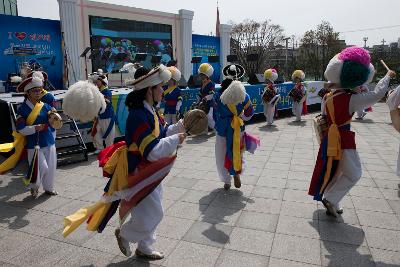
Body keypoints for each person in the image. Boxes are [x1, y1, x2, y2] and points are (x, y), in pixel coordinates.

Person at [308, 46, 396, 217]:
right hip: (344, 139)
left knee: (336, 170)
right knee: (354, 173)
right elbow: (377, 95)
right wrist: (386, 77)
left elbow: (326, 114)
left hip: (328, 138)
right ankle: (332, 199)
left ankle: (333, 200)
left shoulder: (328, 97)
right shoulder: (351, 100)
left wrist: (353, 88)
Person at [115, 65, 186, 259]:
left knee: (148, 210)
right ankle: (125, 234)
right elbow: (152, 151)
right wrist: (175, 139)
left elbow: (161, 133)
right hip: (140, 171)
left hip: (150, 170)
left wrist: (180, 126)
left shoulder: (150, 111)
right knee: (154, 212)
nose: (163, 90)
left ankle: (145, 247)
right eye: (160, 87)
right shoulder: (138, 115)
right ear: (149, 90)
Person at [15, 76, 58, 197]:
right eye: (35, 91)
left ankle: (49, 188)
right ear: (28, 93)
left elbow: (54, 121)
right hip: (34, 144)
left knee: (51, 166)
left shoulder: (46, 106)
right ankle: (34, 186)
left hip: (49, 140)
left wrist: (54, 116)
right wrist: (35, 128)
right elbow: (21, 129)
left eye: (39, 90)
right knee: (40, 167)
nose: (38, 93)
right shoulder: (22, 109)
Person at [214, 64, 254, 190]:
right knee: (237, 151)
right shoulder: (244, 95)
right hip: (237, 127)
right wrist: (240, 117)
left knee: (221, 154)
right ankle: (236, 171)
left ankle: (226, 180)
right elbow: (249, 113)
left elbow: (214, 110)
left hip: (222, 127)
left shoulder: (218, 94)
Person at [89, 70, 116, 153]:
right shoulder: (98, 91)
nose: (96, 83)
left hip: (107, 116)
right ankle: (100, 148)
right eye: (96, 81)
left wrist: (99, 96)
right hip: (99, 117)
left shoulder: (106, 91)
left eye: (98, 81)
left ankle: (109, 149)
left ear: (102, 82)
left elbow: (107, 102)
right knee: (96, 133)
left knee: (109, 135)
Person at [198, 63, 216, 130]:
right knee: (203, 116)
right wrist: (199, 99)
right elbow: (200, 93)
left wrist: (206, 98)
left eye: (202, 76)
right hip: (203, 102)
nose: (201, 77)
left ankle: (215, 128)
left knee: (209, 116)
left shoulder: (211, 83)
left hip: (209, 102)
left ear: (206, 76)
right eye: (201, 76)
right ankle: (204, 129)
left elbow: (212, 94)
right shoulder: (202, 83)